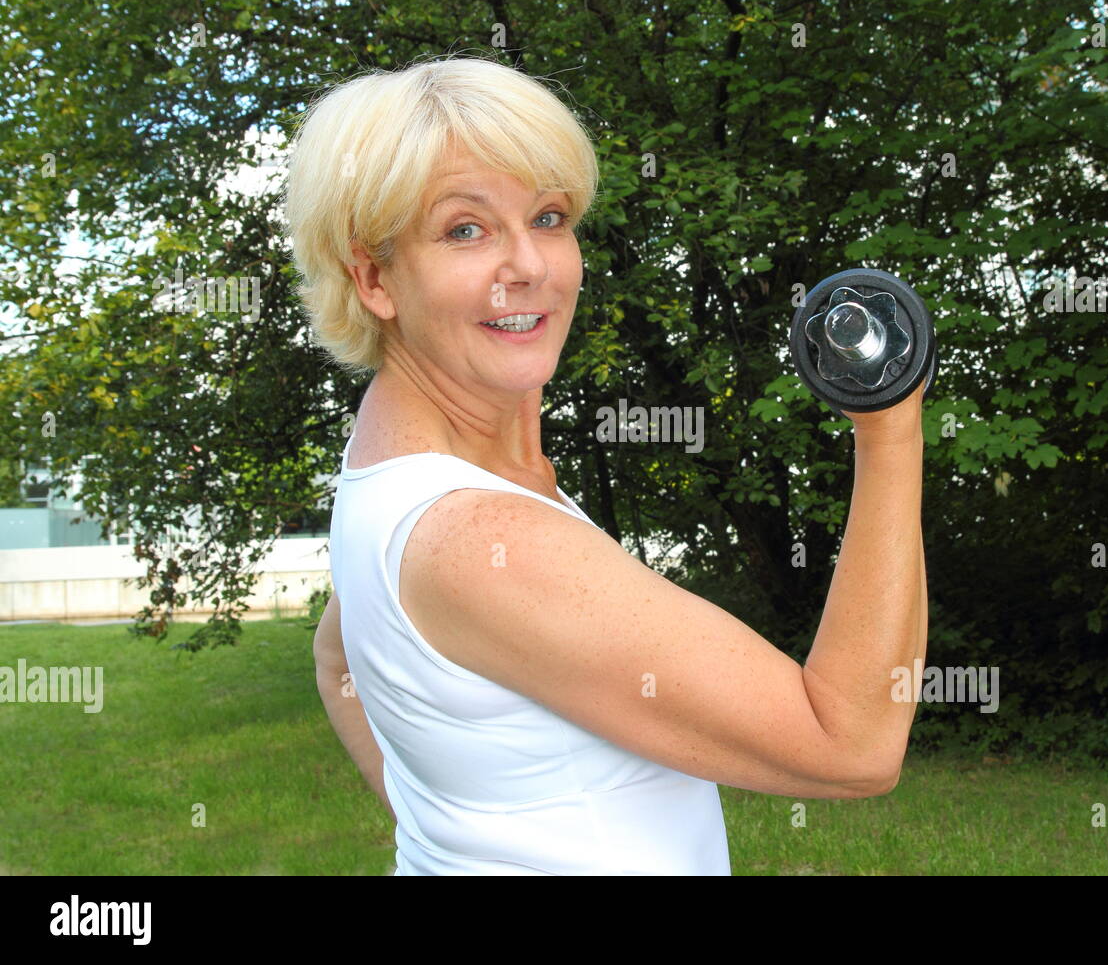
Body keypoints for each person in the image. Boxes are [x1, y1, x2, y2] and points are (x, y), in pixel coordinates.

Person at [286, 53, 928, 876]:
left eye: (548, 217)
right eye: (465, 229)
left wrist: (441, 834)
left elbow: (337, 657)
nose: (529, 264)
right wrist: (889, 426)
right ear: (373, 277)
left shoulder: (392, 471)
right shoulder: (480, 537)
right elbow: (853, 740)